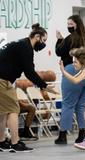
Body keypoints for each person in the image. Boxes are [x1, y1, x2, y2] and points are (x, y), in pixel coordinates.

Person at [0, 23, 56, 152]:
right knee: (14, 110)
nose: (44, 44)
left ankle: (1, 142)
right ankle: (15, 143)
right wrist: (45, 86)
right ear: (37, 36)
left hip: (3, 80)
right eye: (44, 40)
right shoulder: (25, 47)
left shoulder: (22, 44)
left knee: (3, 113)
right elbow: (30, 72)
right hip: (3, 81)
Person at [55, 15, 85, 144]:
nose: (69, 26)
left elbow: (59, 51)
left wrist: (59, 39)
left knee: (67, 104)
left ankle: (62, 135)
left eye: (71, 23)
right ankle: (83, 133)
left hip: (72, 69)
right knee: (81, 105)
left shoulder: (70, 38)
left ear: (76, 24)